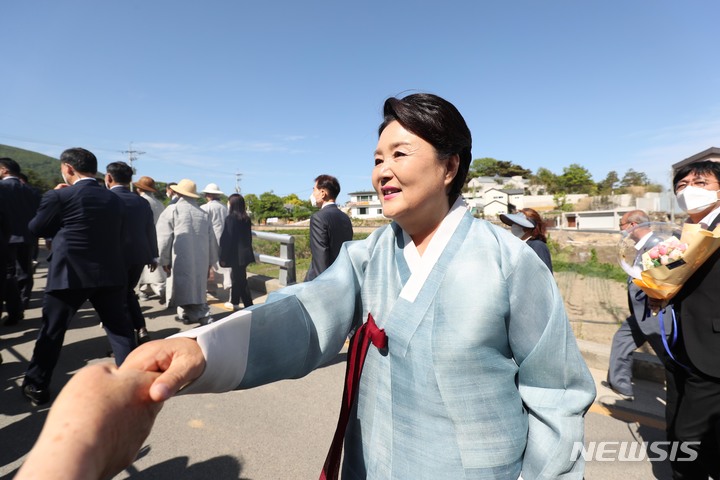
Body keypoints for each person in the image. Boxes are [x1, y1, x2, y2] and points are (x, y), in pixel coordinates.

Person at [21, 94, 595, 478]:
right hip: (369, 463)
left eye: (401, 153)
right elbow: (303, 312)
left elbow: (556, 395)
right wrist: (200, 350)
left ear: (450, 166)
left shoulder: (508, 263)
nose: (383, 171)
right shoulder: (369, 255)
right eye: (376, 157)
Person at [21, 147, 137, 406]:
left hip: (69, 273)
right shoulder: (116, 200)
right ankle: (132, 383)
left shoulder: (60, 195)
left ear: (68, 169)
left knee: (52, 330)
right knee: (119, 331)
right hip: (110, 272)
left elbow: (35, 228)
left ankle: (37, 385)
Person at [663, 160, 720, 478]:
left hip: (713, 350)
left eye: (700, 184)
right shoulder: (682, 234)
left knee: (689, 440)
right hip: (681, 347)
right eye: (682, 185)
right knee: (691, 432)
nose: (689, 191)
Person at [603, 210, 668, 401]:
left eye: (622, 225)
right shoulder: (643, 247)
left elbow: (663, 280)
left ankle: (686, 390)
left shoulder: (657, 245)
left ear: (632, 225)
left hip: (654, 314)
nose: (621, 230)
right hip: (640, 312)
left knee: (670, 357)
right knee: (622, 340)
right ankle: (621, 384)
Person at [105, 162, 159, 344]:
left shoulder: (105, 198)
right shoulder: (142, 202)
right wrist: (153, 255)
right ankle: (140, 327)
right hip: (139, 256)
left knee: (117, 298)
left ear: (108, 178)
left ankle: (126, 339)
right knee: (128, 292)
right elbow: (149, 230)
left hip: (113, 257)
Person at [156, 179, 218, 325]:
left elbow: (163, 238)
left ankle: (203, 315)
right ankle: (192, 314)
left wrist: (163, 260)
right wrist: (211, 261)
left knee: (182, 287)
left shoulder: (172, 210)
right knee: (197, 287)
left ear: (177, 192)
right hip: (201, 258)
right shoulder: (202, 213)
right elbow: (212, 240)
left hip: (180, 257)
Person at [0, 158, 40, 325]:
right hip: (28, 236)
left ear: (4, 169)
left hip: (6, 238)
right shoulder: (32, 191)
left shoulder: (2, 188)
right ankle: (22, 303)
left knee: (9, 274)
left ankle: (15, 309)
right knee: (25, 270)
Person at [304, 174, 354, 281]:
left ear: (323, 193)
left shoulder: (318, 217)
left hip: (323, 281)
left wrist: (322, 286)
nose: (312, 194)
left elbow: (320, 257)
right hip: (341, 276)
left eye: (314, 190)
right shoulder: (345, 218)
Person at [134, 176, 167, 303]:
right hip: (158, 237)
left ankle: (148, 290)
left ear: (139, 188)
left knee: (144, 268)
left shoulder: (140, 201)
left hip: (145, 237)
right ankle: (145, 289)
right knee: (153, 267)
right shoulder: (159, 203)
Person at [218, 194, 254, 310]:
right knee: (236, 277)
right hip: (245, 254)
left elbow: (226, 240)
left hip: (235, 256)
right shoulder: (246, 219)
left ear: (232, 204)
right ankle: (234, 301)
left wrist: (223, 257)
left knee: (241, 281)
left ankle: (249, 306)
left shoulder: (230, 219)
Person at [200, 183, 232, 295]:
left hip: (210, 239)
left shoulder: (204, 208)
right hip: (224, 238)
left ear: (208, 195)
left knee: (208, 264)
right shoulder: (224, 207)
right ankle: (227, 284)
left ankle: (211, 287)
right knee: (224, 264)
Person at [499, 207, 553, 272]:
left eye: (518, 224)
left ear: (528, 228)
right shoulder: (520, 245)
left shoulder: (537, 246)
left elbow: (544, 275)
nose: (514, 227)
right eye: (514, 224)